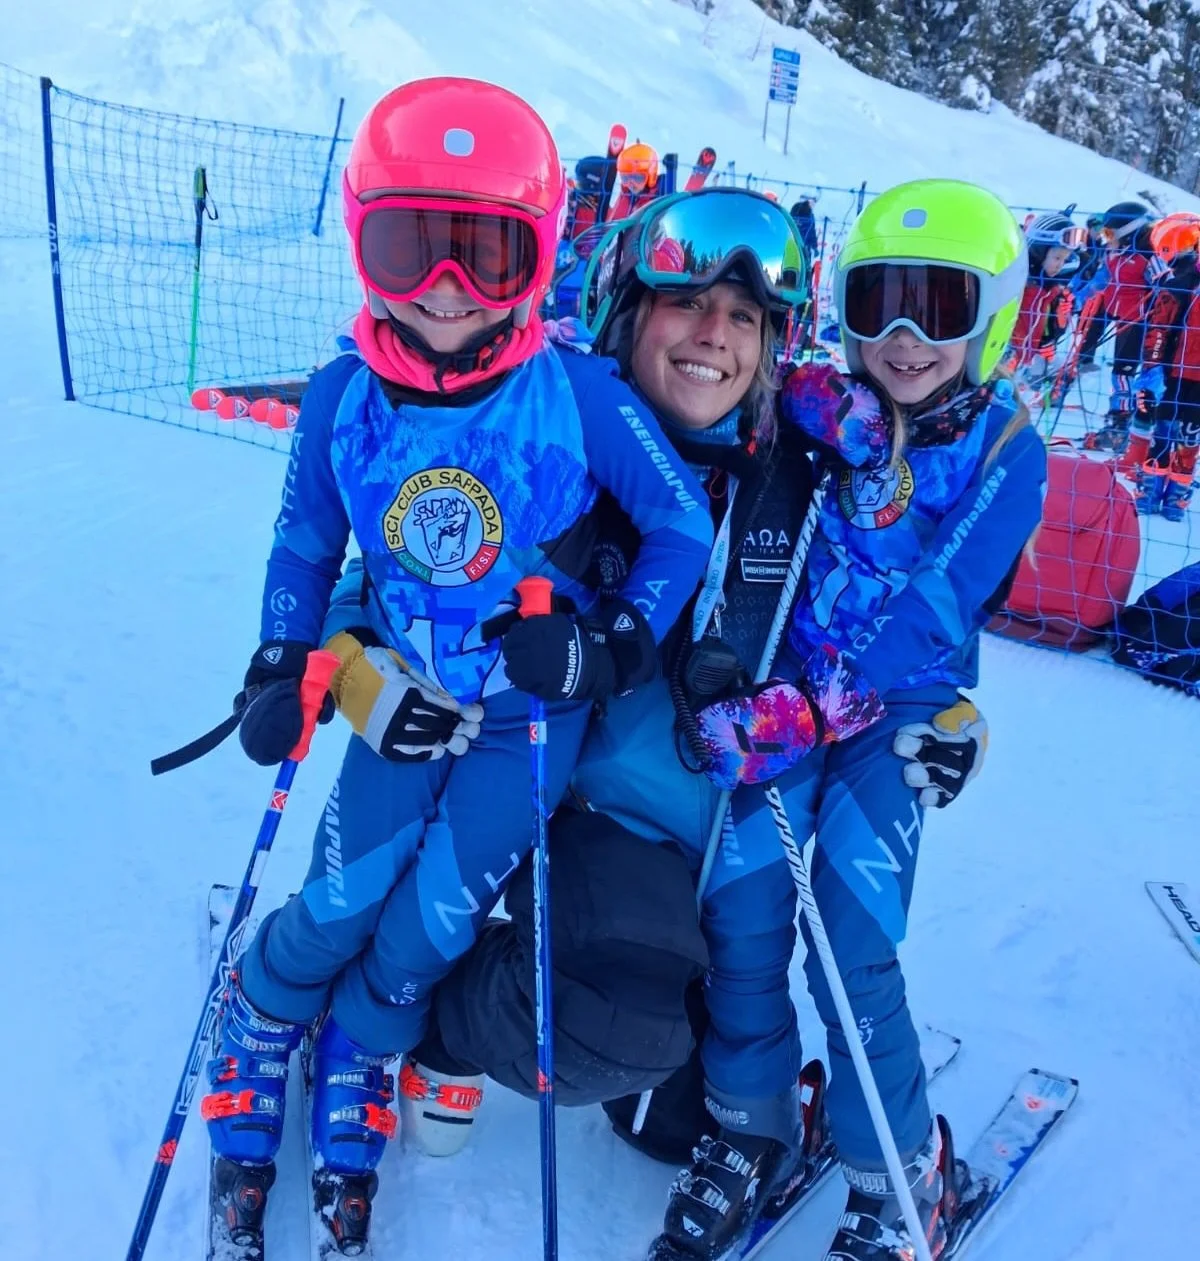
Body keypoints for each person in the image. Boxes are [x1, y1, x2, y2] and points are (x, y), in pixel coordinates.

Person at [316, 186, 992, 1174]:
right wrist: (351, 666)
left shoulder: (804, 466)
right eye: (686, 304)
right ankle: (426, 1022)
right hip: (547, 795)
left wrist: (948, 709)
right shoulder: (545, 424)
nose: (713, 336)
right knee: (609, 1023)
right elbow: (377, 566)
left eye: (746, 318)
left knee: (669, 1123)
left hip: (707, 834)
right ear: (631, 310)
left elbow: (906, 602)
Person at [198, 76, 714, 1250]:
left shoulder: (575, 392)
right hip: (400, 704)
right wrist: (283, 661)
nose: (443, 289)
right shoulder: (343, 395)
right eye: (410, 248)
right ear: (363, 243)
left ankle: (362, 1046)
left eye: (483, 255)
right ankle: (265, 1010)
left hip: (528, 725)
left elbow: (681, 525)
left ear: (534, 261)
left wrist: (606, 642)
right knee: (340, 899)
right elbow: (305, 541)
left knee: (432, 925)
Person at [613, 179, 1044, 1261]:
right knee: (743, 916)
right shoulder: (815, 403)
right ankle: (752, 1125)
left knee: (848, 937)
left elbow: (940, 603)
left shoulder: (1004, 449)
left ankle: (901, 1172)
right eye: (877, 303)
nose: (901, 340)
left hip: (878, 713)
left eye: (937, 309)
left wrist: (816, 711)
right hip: (778, 689)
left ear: (992, 318)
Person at [1129, 211, 1200, 518]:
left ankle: (1176, 494)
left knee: (1186, 437)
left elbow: (1157, 331)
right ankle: (1154, 488)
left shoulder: (1178, 283)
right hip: (1174, 375)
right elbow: (1158, 332)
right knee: (1167, 431)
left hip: (1185, 377)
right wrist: (1152, 371)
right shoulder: (1179, 285)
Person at [1078, 200, 1158, 452]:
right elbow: (1106, 281)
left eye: (1110, 233)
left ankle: (1139, 425)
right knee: (1121, 373)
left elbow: (1165, 288)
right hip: (1123, 320)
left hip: (1142, 324)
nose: (1105, 238)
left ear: (1128, 232)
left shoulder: (1148, 257)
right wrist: (1085, 295)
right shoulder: (1115, 255)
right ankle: (1119, 419)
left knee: (1143, 374)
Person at [1009, 211, 1086, 386]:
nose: (1060, 264)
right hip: (1007, 359)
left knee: (1064, 373)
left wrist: (1062, 313)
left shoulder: (1049, 291)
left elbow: (1046, 326)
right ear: (1038, 251)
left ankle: (1046, 393)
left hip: (1030, 357)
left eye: (1065, 259)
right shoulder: (1018, 285)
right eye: (1057, 258)